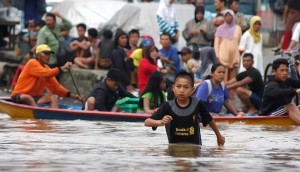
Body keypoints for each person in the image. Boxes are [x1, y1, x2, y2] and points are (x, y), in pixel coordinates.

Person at [144, 71, 225, 145]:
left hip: (194, 149)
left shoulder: (197, 104)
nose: (182, 90)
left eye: (186, 87)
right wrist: (160, 122)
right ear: (173, 88)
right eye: (178, 86)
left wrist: (219, 136)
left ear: (192, 90)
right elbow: (147, 122)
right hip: (174, 150)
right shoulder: (167, 106)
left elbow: (210, 120)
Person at [10, 44, 81, 108]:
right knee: (28, 97)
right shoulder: (32, 63)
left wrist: (74, 96)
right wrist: (62, 68)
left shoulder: (47, 68)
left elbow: (56, 88)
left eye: (49, 54)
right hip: (19, 96)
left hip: (35, 98)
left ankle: (54, 118)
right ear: (38, 55)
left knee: (54, 97)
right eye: (46, 53)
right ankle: (37, 117)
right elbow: (46, 73)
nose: (48, 56)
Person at [260, 58, 300, 125]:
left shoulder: (287, 80)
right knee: (290, 106)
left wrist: (298, 68)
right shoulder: (270, 85)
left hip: (281, 111)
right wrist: (295, 91)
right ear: (274, 71)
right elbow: (279, 92)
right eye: (282, 70)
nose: (285, 73)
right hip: (268, 115)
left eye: (286, 70)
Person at [214, 9, 242, 99]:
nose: (228, 17)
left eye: (230, 15)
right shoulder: (220, 29)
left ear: (233, 16)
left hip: (234, 58)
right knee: (222, 80)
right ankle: (221, 99)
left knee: (232, 82)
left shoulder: (238, 29)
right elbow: (216, 44)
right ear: (224, 17)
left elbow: (240, 42)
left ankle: (231, 101)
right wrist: (217, 56)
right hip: (223, 58)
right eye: (226, 15)